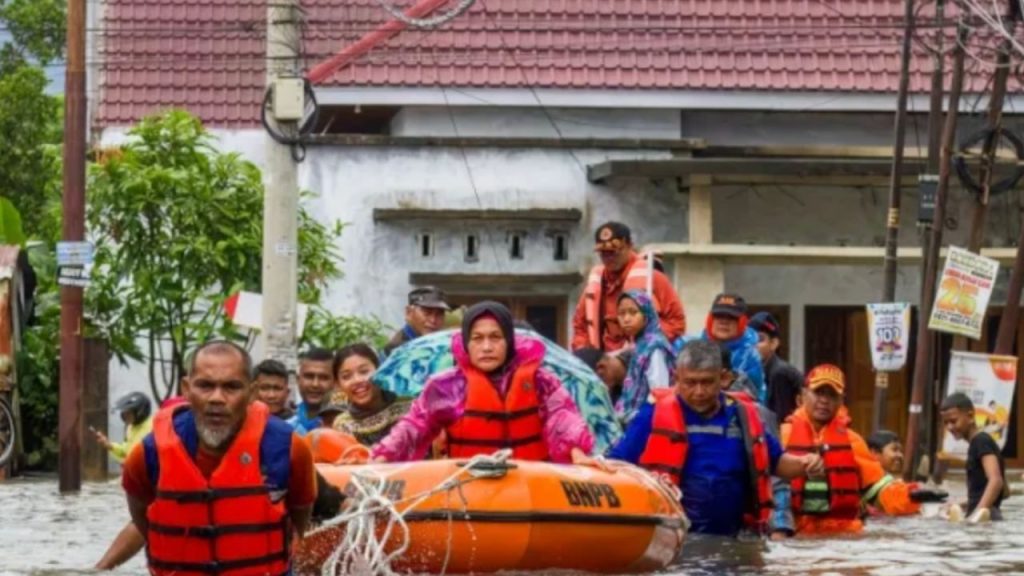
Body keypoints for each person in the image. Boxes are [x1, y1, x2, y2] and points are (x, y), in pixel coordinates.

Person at [119, 340, 317, 575]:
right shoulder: (148, 454)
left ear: (252, 393)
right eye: (205, 386)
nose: (217, 398)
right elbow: (142, 517)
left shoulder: (290, 448)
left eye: (231, 387)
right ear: (186, 389)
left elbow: (300, 515)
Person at [606, 340, 822, 538]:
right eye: (690, 383)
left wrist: (805, 464)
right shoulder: (653, 414)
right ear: (676, 378)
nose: (698, 392)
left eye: (707, 382)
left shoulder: (744, 416)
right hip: (675, 539)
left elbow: (777, 462)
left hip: (736, 538)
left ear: (724, 379)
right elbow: (617, 463)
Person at [373, 301, 595, 463]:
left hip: (533, 484)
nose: (487, 347)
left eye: (495, 337)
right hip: (472, 488)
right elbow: (414, 425)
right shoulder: (446, 386)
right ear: (467, 343)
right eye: (477, 338)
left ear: (508, 341)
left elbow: (562, 416)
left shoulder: (541, 381)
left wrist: (576, 451)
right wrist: (383, 454)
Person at [782, 365, 940, 535]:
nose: (824, 400)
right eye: (818, 392)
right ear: (804, 395)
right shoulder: (782, 436)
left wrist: (911, 495)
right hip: (795, 534)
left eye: (832, 395)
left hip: (845, 536)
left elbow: (880, 491)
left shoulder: (853, 441)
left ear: (841, 400)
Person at [571, 221, 686, 352]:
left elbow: (677, 322)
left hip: (642, 358)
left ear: (629, 246)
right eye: (604, 253)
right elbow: (580, 326)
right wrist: (585, 352)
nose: (608, 258)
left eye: (614, 252)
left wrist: (647, 342)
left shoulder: (652, 277)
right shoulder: (596, 284)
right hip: (605, 363)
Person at [678, 293, 766, 403]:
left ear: (743, 322)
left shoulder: (750, 356)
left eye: (731, 317)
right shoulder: (686, 346)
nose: (723, 322)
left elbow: (754, 397)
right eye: (718, 316)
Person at [940, 392, 1007, 521]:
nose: (949, 427)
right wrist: (961, 504)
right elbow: (1003, 490)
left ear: (970, 416)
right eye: (945, 423)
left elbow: (996, 481)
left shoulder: (981, 441)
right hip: (987, 516)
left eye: (953, 421)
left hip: (986, 519)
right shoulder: (978, 443)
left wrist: (976, 516)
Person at [331, 343, 412, 446]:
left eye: (364, 371)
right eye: (346, 377)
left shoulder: (410, 406)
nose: (357, 380)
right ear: (338, 384)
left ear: (379, 370)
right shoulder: (343, 425)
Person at [615, 290, 676, 424]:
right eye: (621, 313)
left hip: (647, 423)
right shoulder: (640, 345)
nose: (626, 319)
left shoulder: (655, 347)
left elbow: (660, 393)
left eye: (633, 312)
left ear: (646, 314)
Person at [749, 311, 803, 421]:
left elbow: (779, 421)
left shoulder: (779, 373)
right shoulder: (755, 371)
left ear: (773, 344)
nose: (753, 345)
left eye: (759, 339)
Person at [383, 286, 451, 357]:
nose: (433, 320)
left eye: (439, 314)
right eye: (427, 312)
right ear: (409, 312)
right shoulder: (397, 350)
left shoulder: (442, 344)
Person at [91, 391, 153, 463]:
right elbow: (127, 450)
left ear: (140, 412)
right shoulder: (131, 427)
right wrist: (109, 445)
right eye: (124, 413)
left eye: (128, 413)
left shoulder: (152, 428)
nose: (125, 416)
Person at [287, 347, 335, 435]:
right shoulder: (285, 426)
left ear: (335, 383)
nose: (315, 384)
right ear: (298, 380)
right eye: (309, 376)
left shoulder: (345, 426)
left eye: (323, 377)